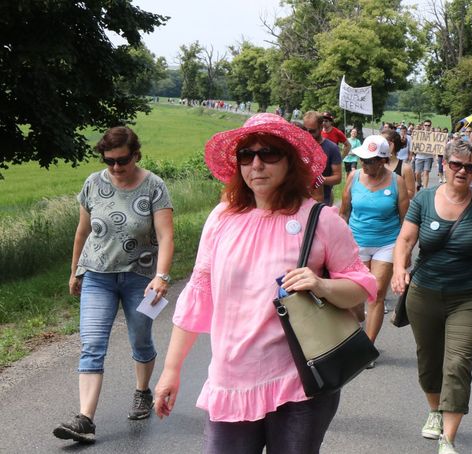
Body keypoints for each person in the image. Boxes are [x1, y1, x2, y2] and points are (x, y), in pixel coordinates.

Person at [154, 113, 377, 454]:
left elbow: (361, 285)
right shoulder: (222, 218)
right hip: (231, 378)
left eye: (269, 153)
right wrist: (171, 371)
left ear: (290, 161)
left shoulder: (318, 219)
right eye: (247, 155)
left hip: (299, 380)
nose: (256, 164)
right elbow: (199, 294)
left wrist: (321, 285)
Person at [391, 140, 472, 454]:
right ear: (443, 164)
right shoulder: (424, 199)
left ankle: (448, 437)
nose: (462, 171)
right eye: (456, 164)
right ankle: (434, 409)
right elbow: (405, 239)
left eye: (470, 166)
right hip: (424, 294)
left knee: (458, 363)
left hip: (469, 297)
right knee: (429, 360)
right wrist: (398, 268)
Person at [53, 126, 174, 444]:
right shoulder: (93, 183)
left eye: (123, 160)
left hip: (140, 279)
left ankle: (142, 392)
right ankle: (85, 419)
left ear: (136, 154)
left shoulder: (154, 186)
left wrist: (161, 277)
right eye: (110, 161)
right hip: (97, 275)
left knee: (141, 341)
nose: (117, 167)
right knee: (92, 346)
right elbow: (82, 232)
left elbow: (165, 236)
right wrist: (74, 270)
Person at [340, 135, 408, 365]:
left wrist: (403, 253)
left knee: (376, 294)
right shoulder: (353, 177)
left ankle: (367, 348)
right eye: (362, 160)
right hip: (356, 242)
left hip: (386, 243)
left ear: (382, 160)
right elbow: (344, 212)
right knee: (355, 299)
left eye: (370, 161)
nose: (365, 165)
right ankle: (359, 323)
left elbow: (405, 219)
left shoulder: (396, 182)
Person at [303, 111, 342, 206]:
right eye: (305, 130)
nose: (308, 134)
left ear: (321, 127)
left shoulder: (332, 148)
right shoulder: (300, 146)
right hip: (301, 201)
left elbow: (338, 178)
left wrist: (318, 180)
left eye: (312, 131)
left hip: (321, 203)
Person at [384, 128, 416, 199]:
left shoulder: (405, 168)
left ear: (391, 145)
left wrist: (390, 193)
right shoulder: (375, 165)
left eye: (383, 142)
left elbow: (411, 193)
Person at [414, 119, 434, 190]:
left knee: (426, 173)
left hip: (429, 156)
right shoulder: (418, 134)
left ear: (431, 126)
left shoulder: (434, 135)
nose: (427, 127)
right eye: (426, 125)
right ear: (423, 126)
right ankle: (419, 183)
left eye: (428, 125)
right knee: (417, 173)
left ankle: (425, 188)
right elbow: (414, 144)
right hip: (419, 156)